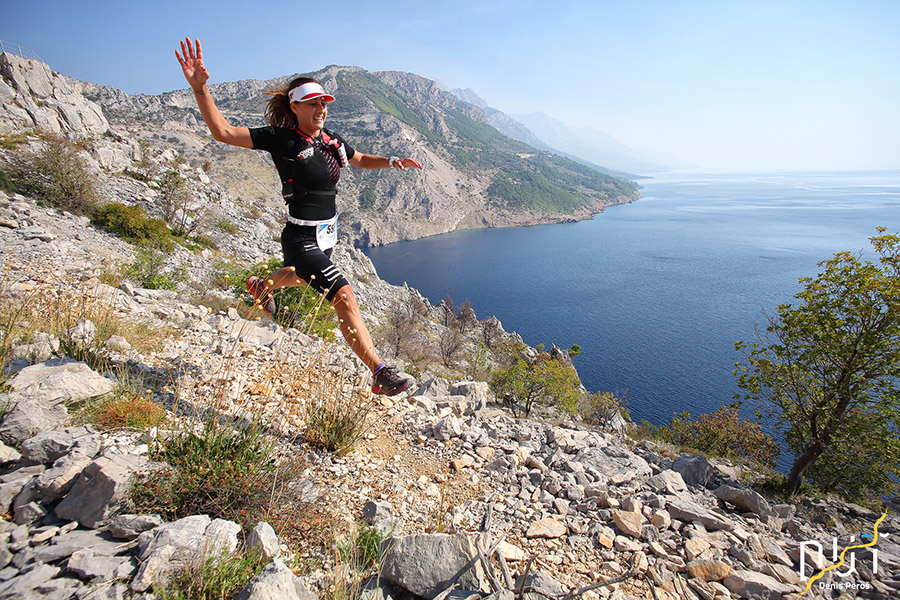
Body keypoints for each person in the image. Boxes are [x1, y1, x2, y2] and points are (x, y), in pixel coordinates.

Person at [176, 37, 422, 396]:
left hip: (326, 236)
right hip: (301, 237)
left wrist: (393, 161)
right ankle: (379, 371)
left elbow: (360, 159)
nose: (321, 108)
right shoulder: (283, 140)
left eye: (324, 102)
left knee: (301, 278)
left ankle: (263, 286)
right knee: (345, 297)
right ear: (295, 107)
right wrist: (201, 90)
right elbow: (223, 133)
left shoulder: (331, 140)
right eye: (312, 103)